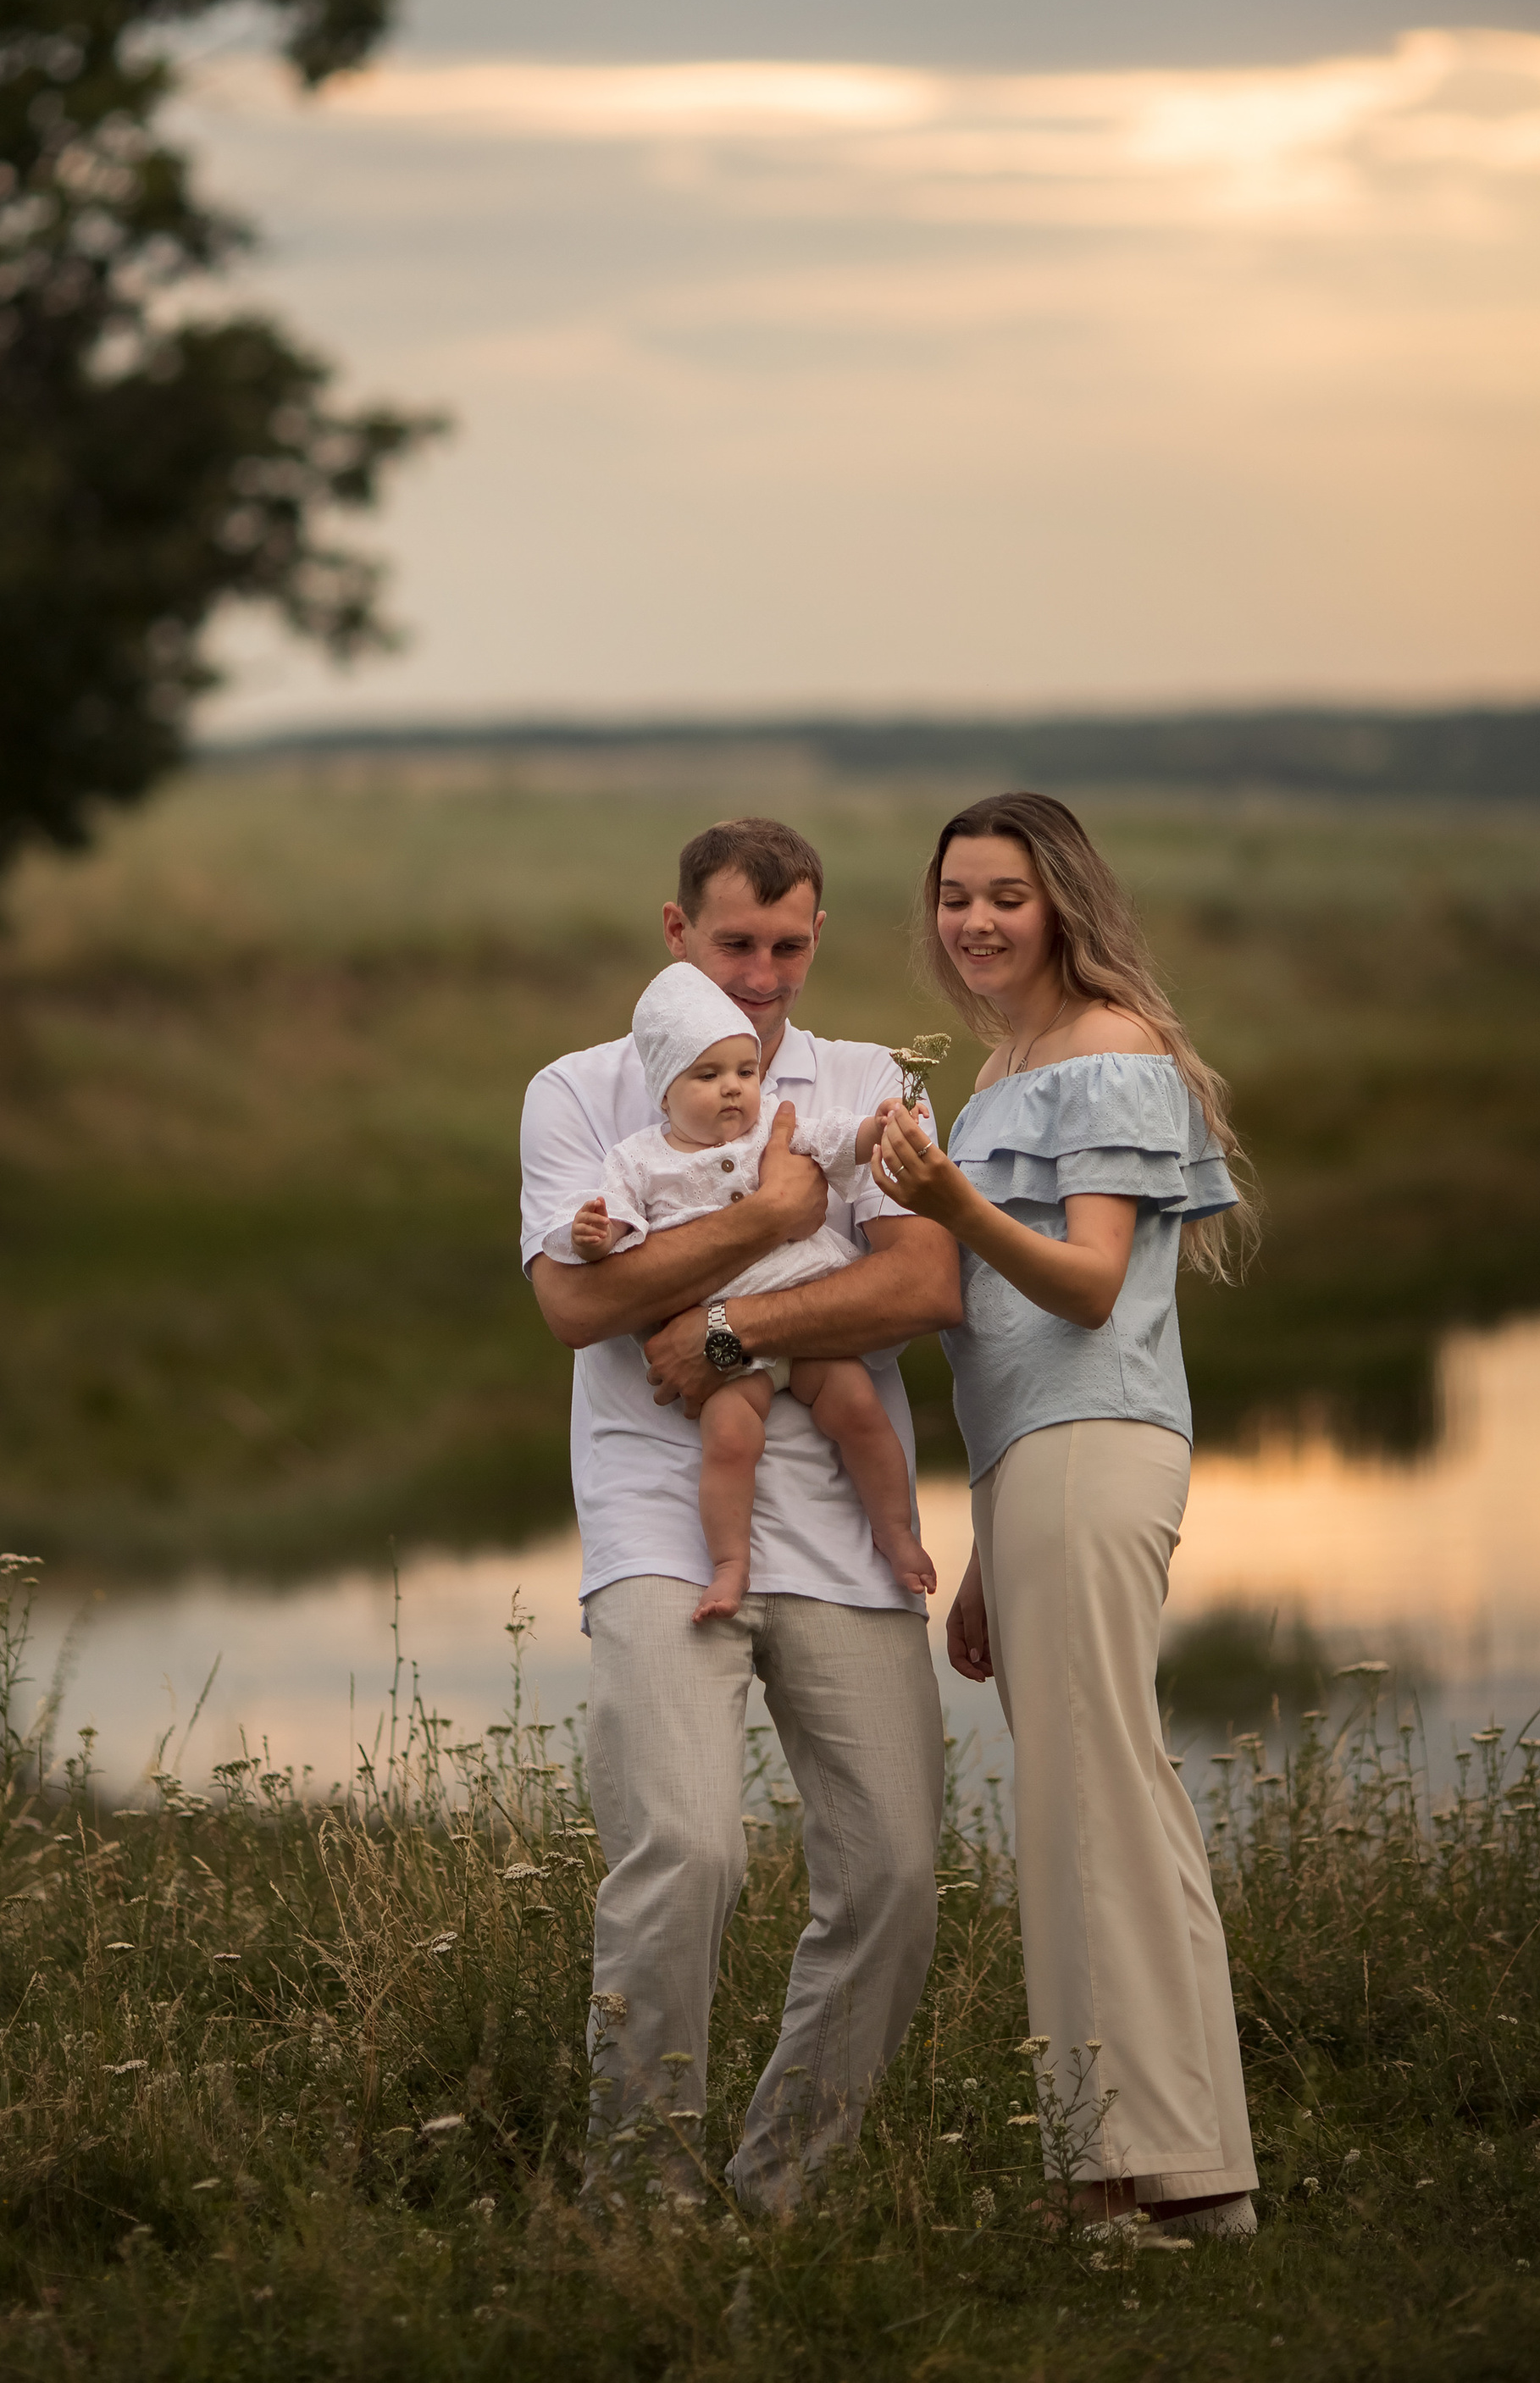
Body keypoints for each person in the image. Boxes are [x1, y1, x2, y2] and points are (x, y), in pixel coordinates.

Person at [522, 817, 961, 2215]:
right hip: (661, 1520)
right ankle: (641, 2203)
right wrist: (777, 1215)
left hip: (844, 1527)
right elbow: (579, 1302)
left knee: (892, 1876)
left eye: (787, 945)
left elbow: (920, 1287)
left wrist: (718, 1320)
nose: (762, 979)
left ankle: (783, 2194)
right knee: (688, 1852)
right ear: (676, 933)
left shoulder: (874, 1081)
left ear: (816, 935)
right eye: (734, 947)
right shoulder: (582, 1090)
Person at [870, 790, 1261, 2240]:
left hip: (1097, 1452)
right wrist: (985, 1547)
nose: (974, 921)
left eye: (1005, 897)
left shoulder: (1103, 1051)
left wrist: (952, 1202)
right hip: (1049, 1463)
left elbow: (1089, 1289)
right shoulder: (1006, 1064)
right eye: (956, 895)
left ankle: (1130, 2174)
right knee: (1114, 1796)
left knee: (1087, 1806)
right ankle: (1195, 2175)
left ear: (1063, 907)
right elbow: (1020, 1356)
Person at [568, 962, 937, 1619]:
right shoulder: (638, 1158)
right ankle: (731, 1563)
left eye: (745, 1072)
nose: (733, 1090)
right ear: (664, 1092)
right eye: (707, 1077)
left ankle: (897, 1534)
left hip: (811, 1313)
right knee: (732, 1443)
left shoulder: (778, 1128)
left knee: (860, 1414)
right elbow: (616, 1228)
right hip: (727, 1357)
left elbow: (836, 1141)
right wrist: (595, 1236)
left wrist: (877, 1131)